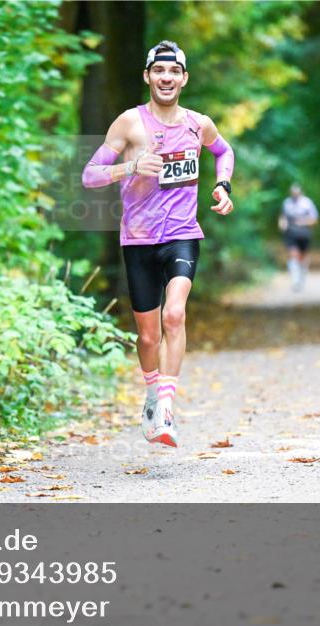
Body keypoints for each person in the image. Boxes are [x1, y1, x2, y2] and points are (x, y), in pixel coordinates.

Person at [81, 40, 235, 447]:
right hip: (138, 239)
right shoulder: (129, 123)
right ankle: (152, 395)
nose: (166, 78)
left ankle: (166, 408)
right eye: (159, 72)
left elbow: (224, 151)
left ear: (184, 79)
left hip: (182, 234)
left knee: (175, 315)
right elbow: (90, 174)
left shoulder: (199, 123)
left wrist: (222, 185)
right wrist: (130, 166)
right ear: (148, 76)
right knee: (148, 337)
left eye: (174, 72)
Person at [277, 183, 318, 291]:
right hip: (291, 233)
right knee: (293, 254)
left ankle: (302, 276)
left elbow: (314, 219)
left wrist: (303, 222)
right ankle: (295, 280)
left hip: (304, 233)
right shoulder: (287, 203)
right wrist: (282, 224)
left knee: (303, 257)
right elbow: (283, 216)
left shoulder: (307, 203)